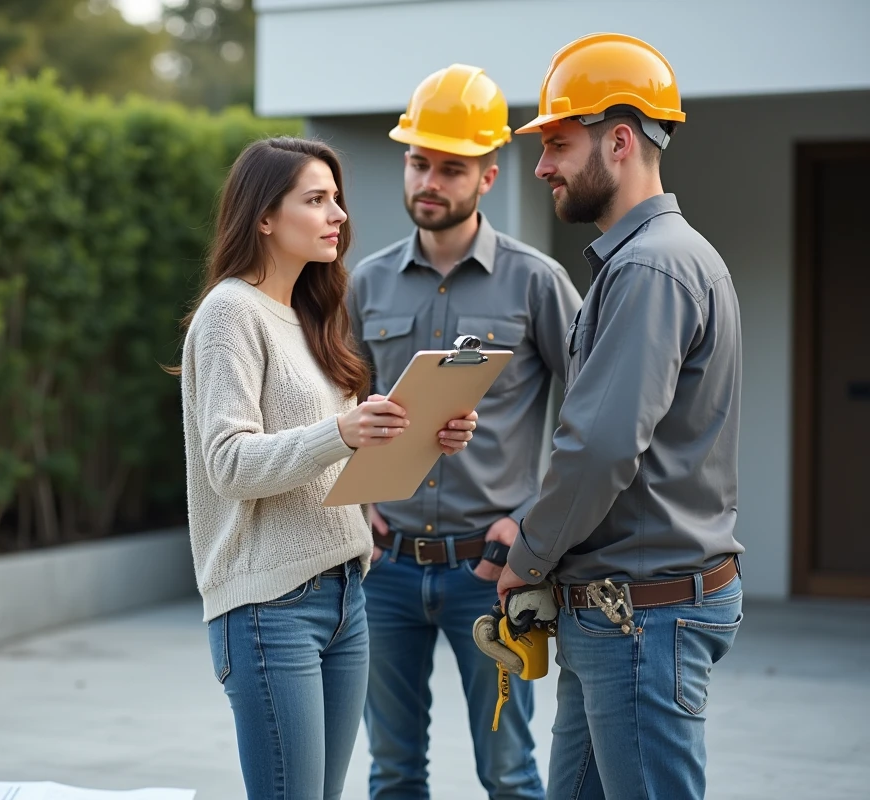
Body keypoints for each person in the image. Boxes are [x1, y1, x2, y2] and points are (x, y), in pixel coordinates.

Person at [174, 136, 478, 799]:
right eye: (316, 200)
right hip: (269, 606)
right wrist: (341, 431)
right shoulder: (231, 313)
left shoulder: (311, 312)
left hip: (347, 592)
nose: (338, 214)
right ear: (262, 217)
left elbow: (331, 466)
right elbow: (229, 463)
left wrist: (422, 434)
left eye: (336, 199)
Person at [499, 33, 745, 800]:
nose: (541, 166)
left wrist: (527, 557)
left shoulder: (649, 266)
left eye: (558, 144)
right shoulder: (660, 259)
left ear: (620, 139)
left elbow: (602, 446)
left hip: (640, 618)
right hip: (623, 612)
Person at [347, 64, 581, 800]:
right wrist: (357, 504)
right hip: (384, 569)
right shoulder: (364, 284)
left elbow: (594, 416)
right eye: (419, 162)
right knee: (391, 774)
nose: (430, 181)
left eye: (452, 168)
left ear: (488, 176)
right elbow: (338, 408)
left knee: (509, 773)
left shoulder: (537, 281)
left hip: (493, 571)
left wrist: (531, 524)